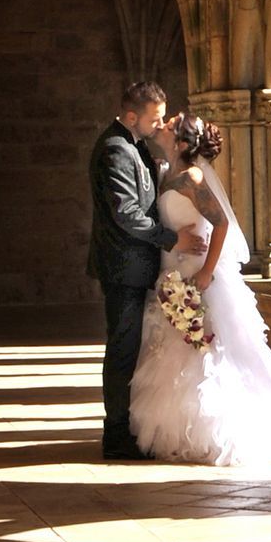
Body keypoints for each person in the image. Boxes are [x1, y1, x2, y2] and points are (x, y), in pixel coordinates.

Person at [130, 111, 271, 464]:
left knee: (209, 351)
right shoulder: (167, 172)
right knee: (177, 349)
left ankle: (218, 431)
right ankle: (181, 430)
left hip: (198, 275)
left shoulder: (192, 177)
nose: (164, 126)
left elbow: (219, 225)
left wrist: (205, 272)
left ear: (184, 143)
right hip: (173, 273)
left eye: (171, 125)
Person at [86, 80, 200, 462]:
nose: (161, 123)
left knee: (132, 347)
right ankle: (116, 435)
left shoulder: (134, 146)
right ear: (132, 116)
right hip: (124, 268)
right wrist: (172, 240)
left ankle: (126, 427)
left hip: (136, 266)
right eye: (155, 117)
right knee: (122, 348)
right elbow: (127, 216)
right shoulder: (116, 150)